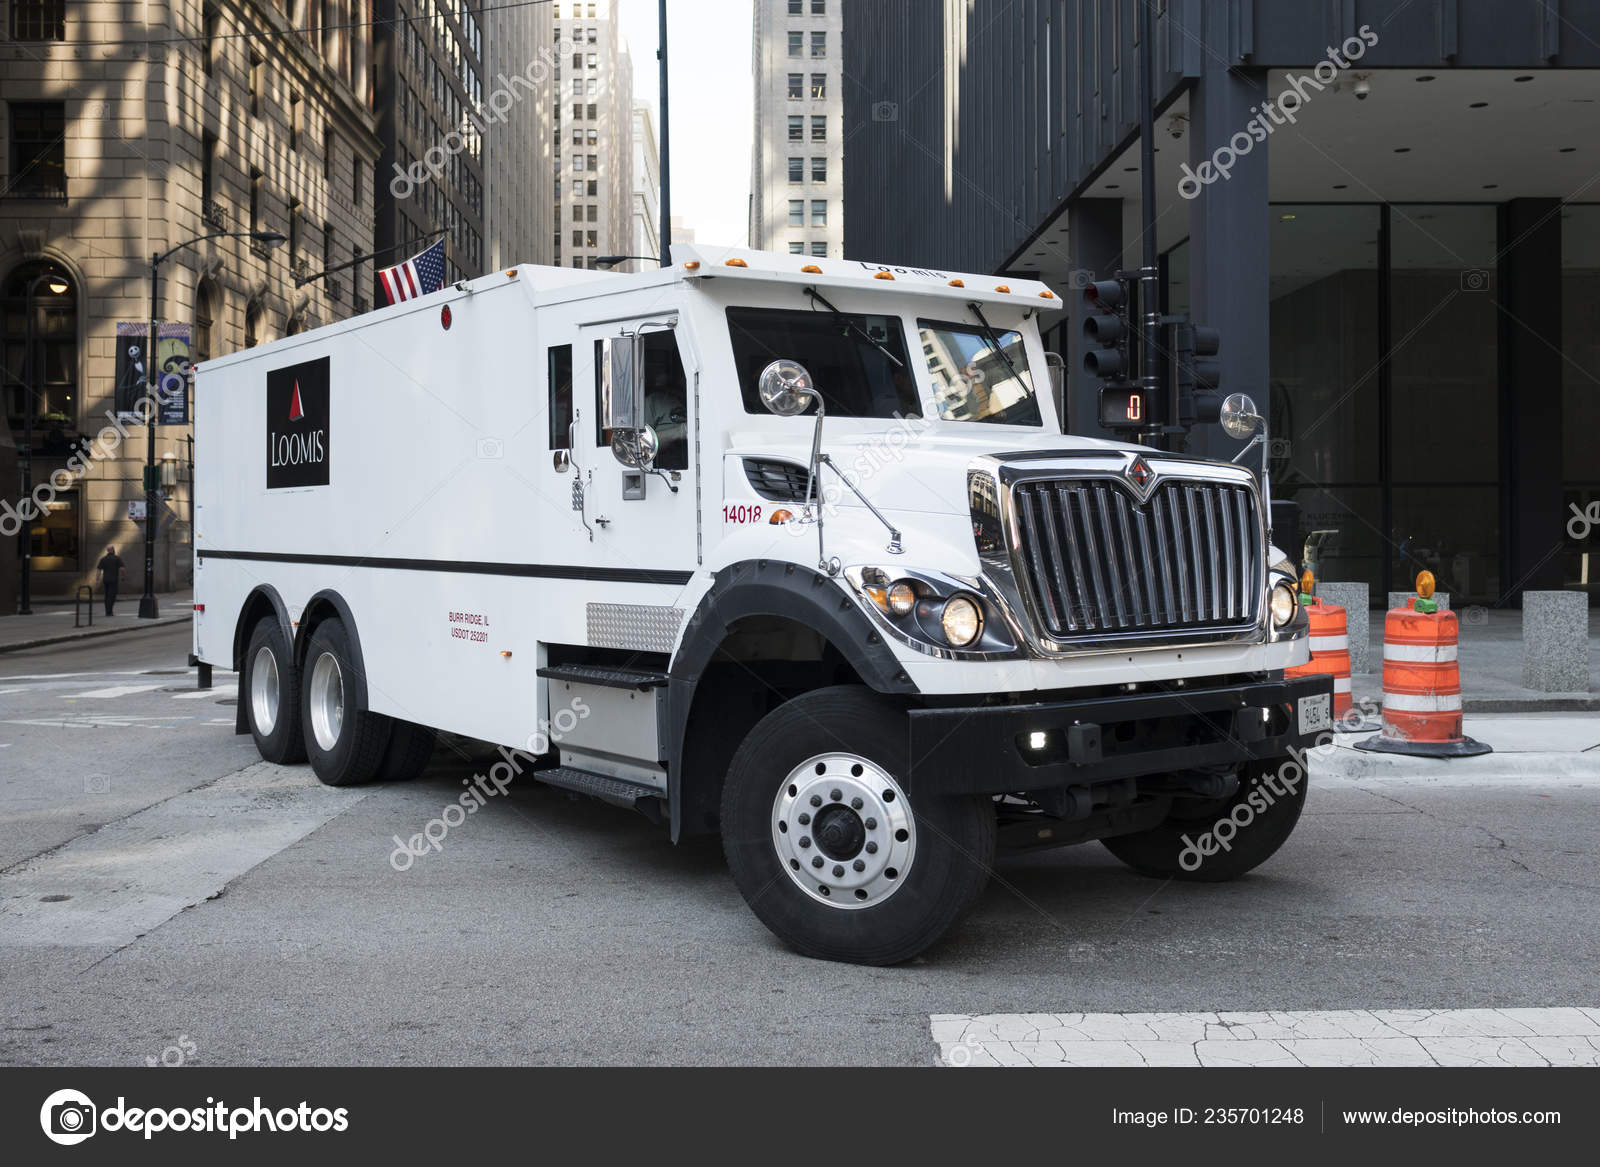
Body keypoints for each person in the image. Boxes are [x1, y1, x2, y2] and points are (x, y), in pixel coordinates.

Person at [97, 546, 126, 616]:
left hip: (105, 579)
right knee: (112, 595)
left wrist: (97, 579)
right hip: (113, 579)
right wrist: (123, 576)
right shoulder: (117, 558)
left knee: (107, 595)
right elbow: (122, 569)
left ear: (107, 551)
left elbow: (98, 570)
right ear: (113, 550)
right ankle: (109, 611)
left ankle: (108, 610)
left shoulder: (103, 559)